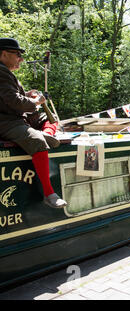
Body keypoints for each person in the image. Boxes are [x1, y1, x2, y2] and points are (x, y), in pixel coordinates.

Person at [0, 38, 67, 208]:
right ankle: (49, 193)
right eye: (17, 54)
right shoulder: (1, 72)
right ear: (4, 54)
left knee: (50, 120)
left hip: (14, 118)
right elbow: (14, 102)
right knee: (36, 141)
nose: (21, 58)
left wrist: (28, 96)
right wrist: (36, 101)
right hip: (6, 122)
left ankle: (46, 135)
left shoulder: (4, 72)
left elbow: (11, 97)